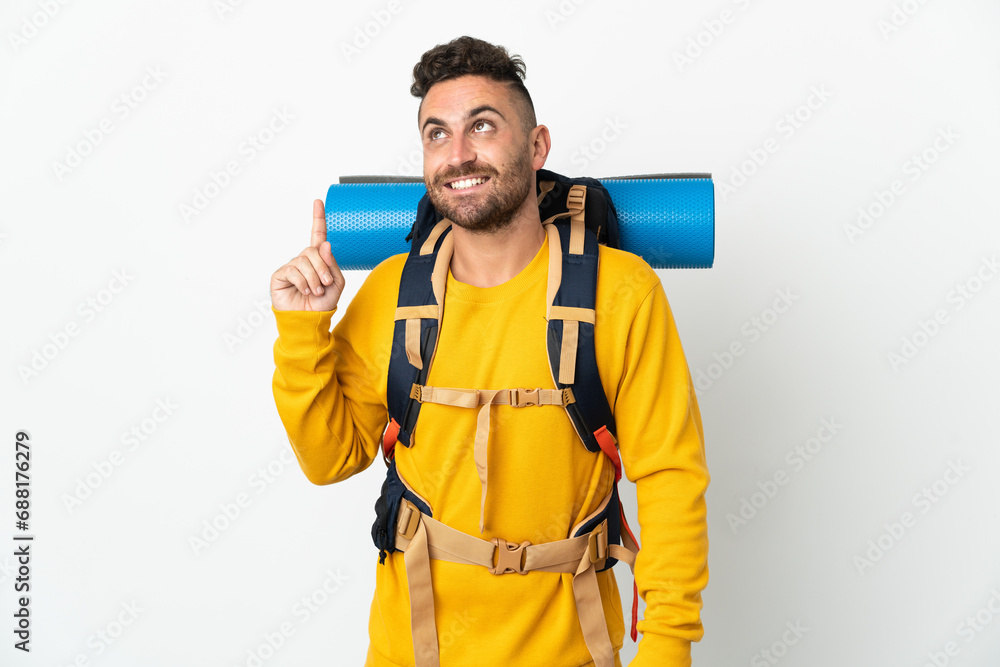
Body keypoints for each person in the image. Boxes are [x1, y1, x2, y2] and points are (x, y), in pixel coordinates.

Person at [270, 36, 709, 667]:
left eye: (482, 125)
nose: (458, 154)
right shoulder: (393, 292)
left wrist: (667, 648)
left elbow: (671, 478)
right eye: (437, 134)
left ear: (537, 146)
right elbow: (330, 459)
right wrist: (302, 331)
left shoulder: (622, 294)